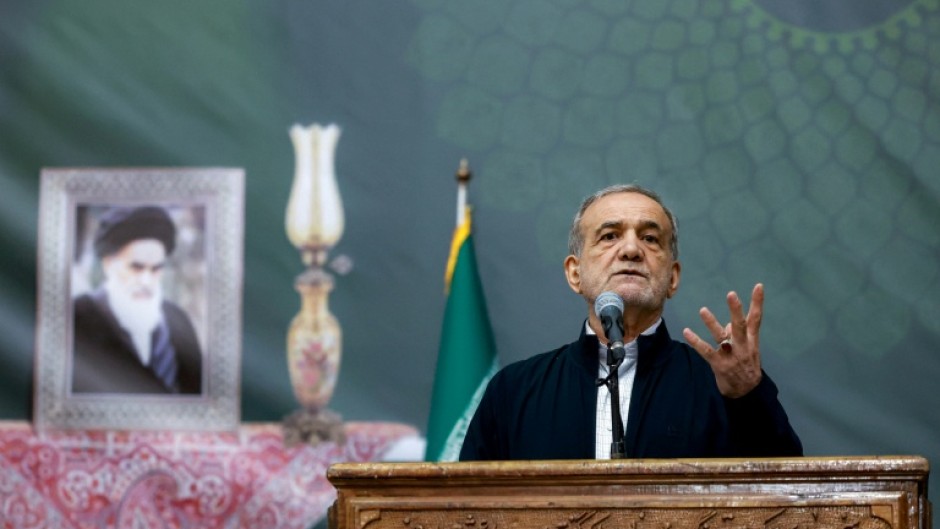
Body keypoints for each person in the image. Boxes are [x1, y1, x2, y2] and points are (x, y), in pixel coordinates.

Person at [460, 184, 802, 460]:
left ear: (673, 277)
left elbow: (788, 501)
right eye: (609, 236)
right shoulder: (515, 391)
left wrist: (747, 396)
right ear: (574, 273)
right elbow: (465, 509)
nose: (631, 250)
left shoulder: (722, 384)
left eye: (650, 239)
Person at [71, 206, 202, 395]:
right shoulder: (77, 318)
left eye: (156, 269)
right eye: (136, 268)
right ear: (109, 265)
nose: (146, 281)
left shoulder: (178, 320)